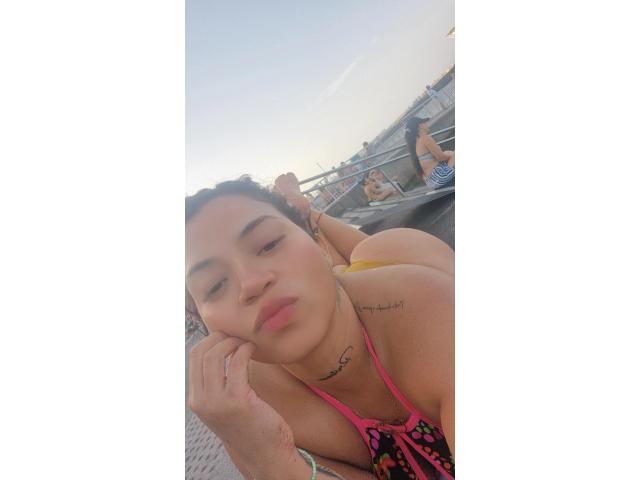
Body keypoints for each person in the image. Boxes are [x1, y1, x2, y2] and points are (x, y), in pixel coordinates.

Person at [186, 176, 455, 480]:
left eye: (269, 243)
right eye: (215, 285)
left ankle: (307, 210)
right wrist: (275, 460)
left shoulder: (426, 305)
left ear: (317, 241)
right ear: (204, 325)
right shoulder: (245, 412)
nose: (251, 283)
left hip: (396, 261)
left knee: (373, 250)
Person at [404, 117, 455, 190]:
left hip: (431, 181)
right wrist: (451, 154)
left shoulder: (416, 143)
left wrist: (448, 153)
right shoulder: (425, 138)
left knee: (447, 153)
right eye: (425, 122)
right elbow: (441, 157)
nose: (427, 124)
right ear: (420, 125)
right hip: (440, 177)